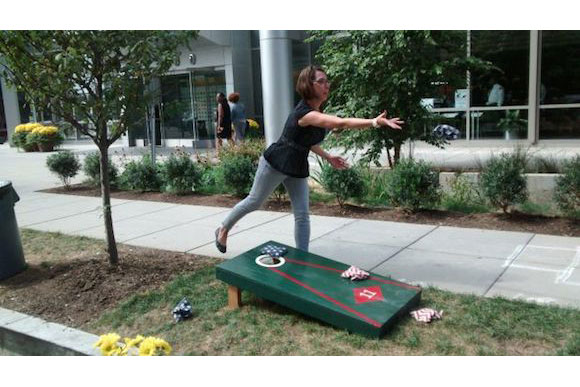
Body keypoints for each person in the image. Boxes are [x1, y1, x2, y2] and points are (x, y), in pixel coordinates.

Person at [214, 65, 404, 253]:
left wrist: (328, 157)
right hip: (276, 163)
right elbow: (341, 122)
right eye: (321, 81)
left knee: (302, 215)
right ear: (308, 85)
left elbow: (305, 142)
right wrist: (374, 122)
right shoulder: (305, 114)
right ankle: (223, 228)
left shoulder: (316, 113)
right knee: (254, 201)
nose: (326, 85)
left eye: (327, 81)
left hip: (296, 166)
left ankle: (302, 258)